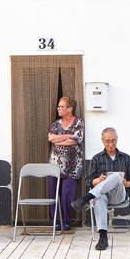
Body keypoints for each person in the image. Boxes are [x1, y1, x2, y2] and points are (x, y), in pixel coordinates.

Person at [72, 127, 130, 251]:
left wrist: (127, 183)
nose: (111, 144)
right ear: (103, 141)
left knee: (116, 177)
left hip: (118, 194)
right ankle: (103, 238)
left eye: (113, 140)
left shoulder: (126, 158)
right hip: (103, 194)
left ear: (117, 140)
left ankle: (86, 198)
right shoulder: (97, 158)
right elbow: (89, 180)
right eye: (107, 141)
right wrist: (97, 181)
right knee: (99, 197)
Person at [47, 96, 84, 232]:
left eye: (61, 106)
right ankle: (56, 221)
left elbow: (77, 139)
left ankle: (66, 221)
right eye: (58, 106)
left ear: (70, 109)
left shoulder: (78, 122)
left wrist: (60, 140)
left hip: (73, 166)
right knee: (53, 193)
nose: (59, 109)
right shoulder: (55, 124)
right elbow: (51, 138)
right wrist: (69, 136)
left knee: (66, 194)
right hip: (55, 165)